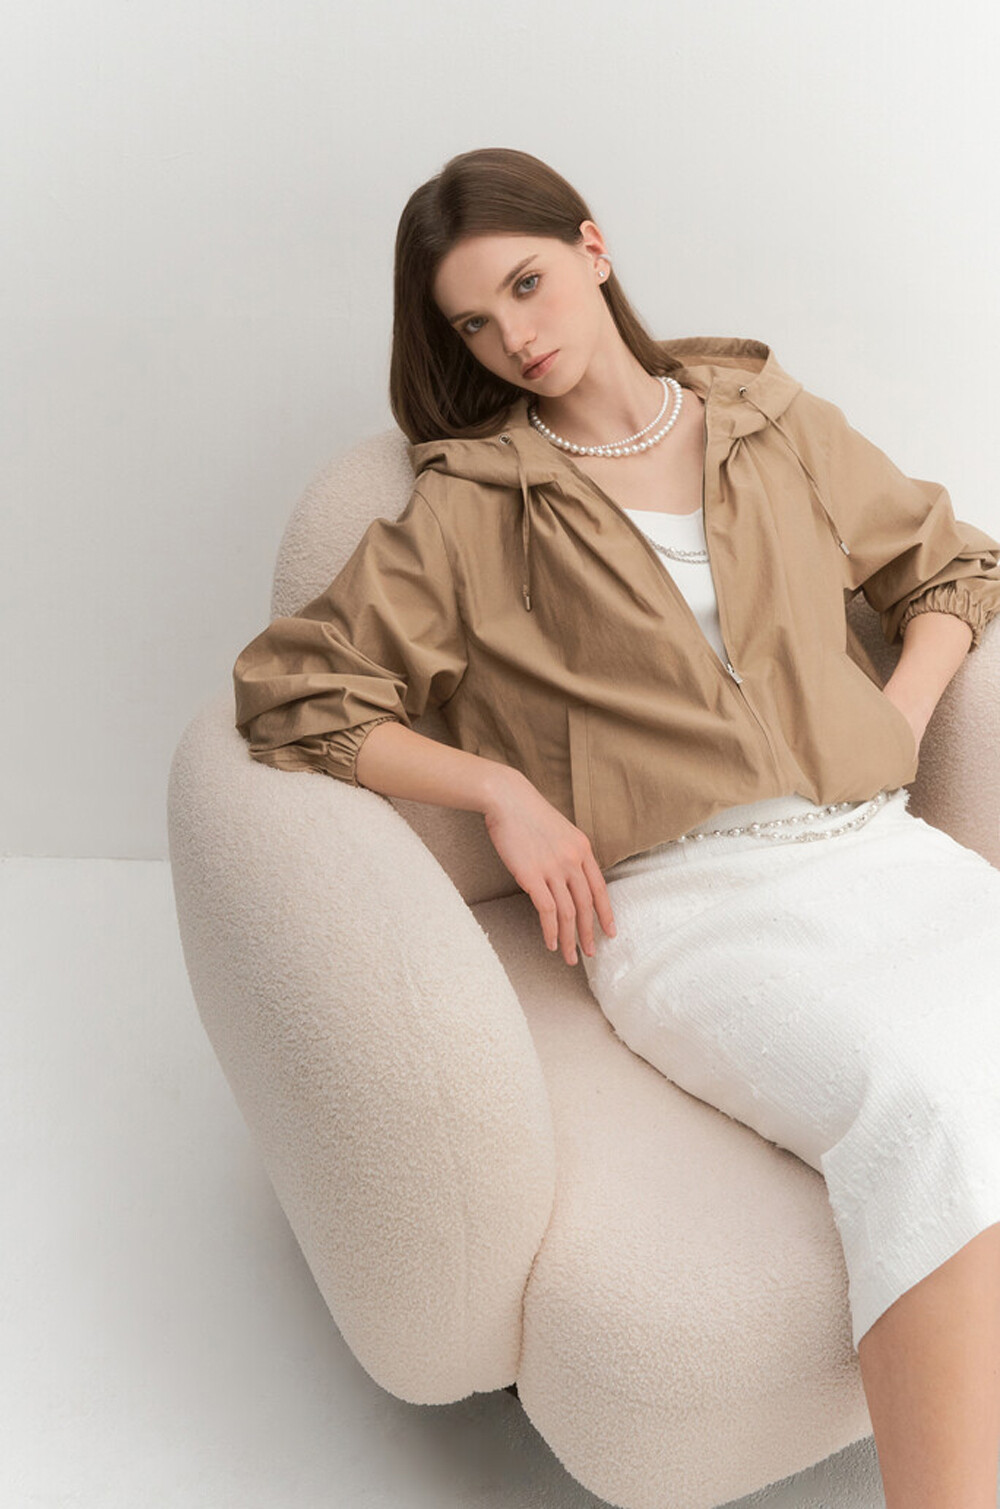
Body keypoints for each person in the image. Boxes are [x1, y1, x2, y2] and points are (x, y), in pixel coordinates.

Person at [233, 147, 1000, 1506]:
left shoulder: (768, 417)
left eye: (527, 285)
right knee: (924, 1107)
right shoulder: (474, 502)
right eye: (477, 323)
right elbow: (294, 685)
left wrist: (900, 707)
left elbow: (949, 563)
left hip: (877, 852)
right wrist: (499, 790)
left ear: (593, 248)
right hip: (690, 908)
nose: (515, 338)